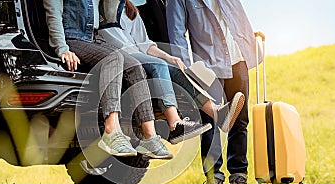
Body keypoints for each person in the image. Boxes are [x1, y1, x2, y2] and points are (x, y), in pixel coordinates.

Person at [98, 0, 244, 144]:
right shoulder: (101, 7)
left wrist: (170, 57)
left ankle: (216, 112)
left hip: (137, 55)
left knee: (174, 67)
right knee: (158, 64)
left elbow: (145, 44)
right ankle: (174, 122)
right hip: (118, 55)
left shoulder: (130, 10)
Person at [43, 0, 174, 159]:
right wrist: (62, 48)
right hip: (72, 39)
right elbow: (53, 14)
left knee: (135, 65)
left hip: (92, 39)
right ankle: (111, 130)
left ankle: (149, 137)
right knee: (114, 59)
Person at [167, 0, 262, 184]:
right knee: (210, 121)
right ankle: (214, 177)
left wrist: (250, 43)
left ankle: (239, 175)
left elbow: (239, 17)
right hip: (207, 65)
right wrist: (187, 70)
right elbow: (176, 33)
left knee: (240, 119)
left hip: (238, 59)